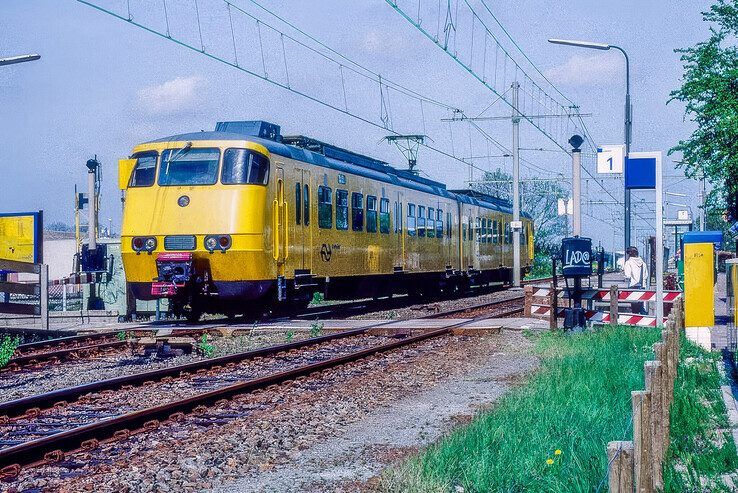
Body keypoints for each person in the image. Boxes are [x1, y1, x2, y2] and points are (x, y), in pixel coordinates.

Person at [623, 246, 649, 315]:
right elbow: (646, 276)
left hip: (633, 286)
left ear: (629, 254)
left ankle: (636, 322)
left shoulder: (628, 263)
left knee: (635, 308)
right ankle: (644, 318)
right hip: (642, 286)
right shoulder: (643, 263)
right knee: (641, 304)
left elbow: (627, 276)